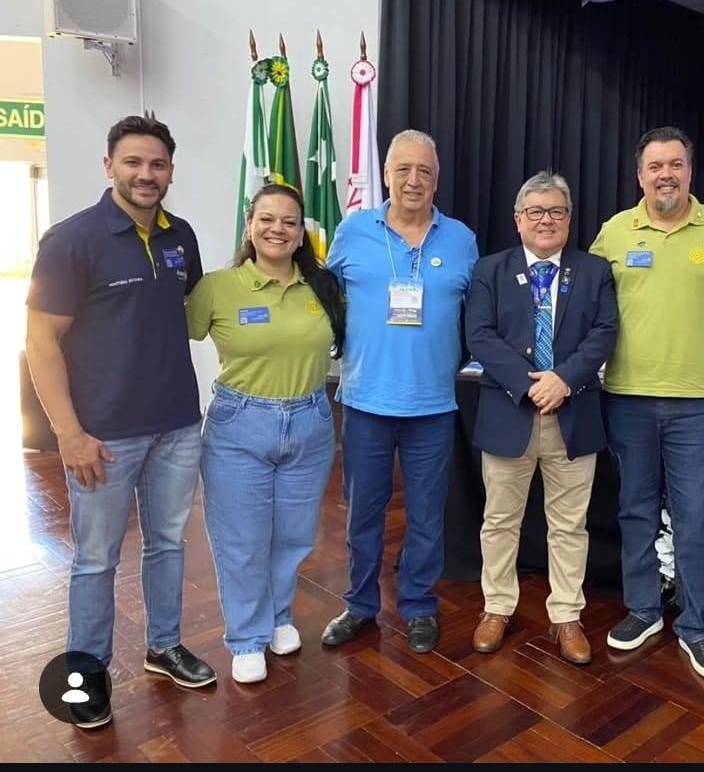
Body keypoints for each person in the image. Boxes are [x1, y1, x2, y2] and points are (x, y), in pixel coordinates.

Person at [25, 115, 216, 728]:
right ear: (109, 166)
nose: (146, 174)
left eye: (157, 164)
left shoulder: (179, 235)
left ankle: (163, 646)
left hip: (177, 425)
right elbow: (42, 343)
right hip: (103, 435)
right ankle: (87, 673)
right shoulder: (71, 240)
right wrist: (69, 433)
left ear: (170, 172)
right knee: (95, 558)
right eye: (134, 162)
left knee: (167, 544)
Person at [590, 126, 704, 680]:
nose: (665, 174)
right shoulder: (614, 232)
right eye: (655, 166)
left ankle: (697, 627)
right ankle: (642, 610)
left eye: (675, 164)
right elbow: (582, 300)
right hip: (627, 398)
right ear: (640, 175)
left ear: (689, 170)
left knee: (698, 516)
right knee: (635, 508)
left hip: (697, 403)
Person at [321, 130, 478, 654]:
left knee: (427, 516)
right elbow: (319, 297)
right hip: (365, 401)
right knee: (363, 512)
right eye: (403, 169)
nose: (414, 181)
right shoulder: (352, 232)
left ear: (437, 178)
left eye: (425, 171)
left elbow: (480, 313)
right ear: (386, 173)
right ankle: (360, 605)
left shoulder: (461, 239)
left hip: (433, 404)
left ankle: (417, 605)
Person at [187, 184, 345, 683]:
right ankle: (247, 636)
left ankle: (279, 616)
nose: (278, 229)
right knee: (242, 539)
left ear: (302, 233)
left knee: (293, 536)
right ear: (249, 225)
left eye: (290, 222)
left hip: (311, 422)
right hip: (240, 425)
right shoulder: (217, 287)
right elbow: (163, 339)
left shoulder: (322, 287)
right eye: (267, 219)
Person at [465, 171, 617, 664]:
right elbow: (480, 336)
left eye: (556, 211)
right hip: (510, 412)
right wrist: (532, 384)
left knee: (570, 524)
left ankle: (566, 615)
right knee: (499, 520)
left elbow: (604, 332)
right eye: (536, 211)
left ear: (569, 219)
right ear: (518, 219)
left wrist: (564, 380)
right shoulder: (490, 269)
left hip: (574, 416)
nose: (546, 220)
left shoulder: (593, 270)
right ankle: (496, 607)